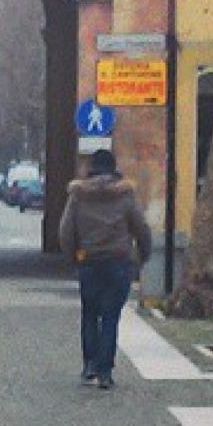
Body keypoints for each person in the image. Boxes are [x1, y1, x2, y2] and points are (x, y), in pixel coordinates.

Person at [59, 148, 152, 390]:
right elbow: (141, 228)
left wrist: (72, 259)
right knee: (111, 316)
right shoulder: (125, 195)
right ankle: (105, 371)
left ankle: (89, 365)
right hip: (118, 262)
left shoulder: (79, 195)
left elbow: (66, 230)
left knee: (90, 313)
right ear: (114, 169)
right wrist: (142, 256)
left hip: (89, 261)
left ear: (90, 168)